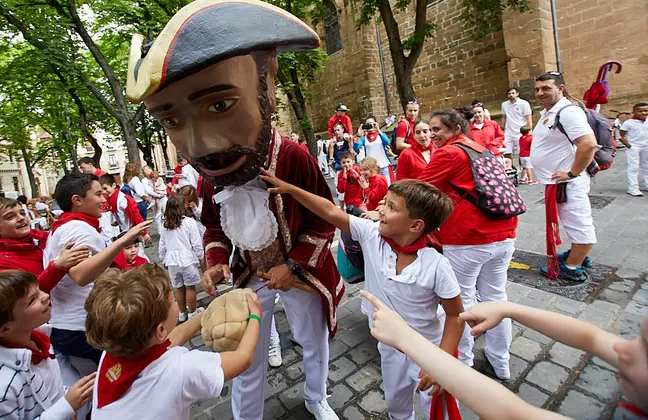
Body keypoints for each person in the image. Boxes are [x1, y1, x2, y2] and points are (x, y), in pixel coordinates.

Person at [129, 0, 344, 419]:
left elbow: (324, 218)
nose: (203, 146)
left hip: (300, 274)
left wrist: (295, 266)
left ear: (267, 81)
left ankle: (317, 399)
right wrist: (213, 261)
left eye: (219, 105)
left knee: (314, 339)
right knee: (245, 355)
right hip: (250, 276)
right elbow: (212, 224)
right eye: (172, 121)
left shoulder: (294, 158)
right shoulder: (211, 178)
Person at [261, 171, 464, 419]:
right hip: (390, 347)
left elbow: (454, 315)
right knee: (396, 403)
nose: (380, 208)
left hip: (428, 350)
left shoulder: (436, 266)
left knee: (436, 407)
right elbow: (332, 212)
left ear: (415, 225)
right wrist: (291, 189)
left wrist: (441, 363)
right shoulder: (372, 235)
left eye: (390, 207)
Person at [363, 289, 648, 420]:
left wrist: (407, 338)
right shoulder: (629, 358)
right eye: (638, 339)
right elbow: (594, 337)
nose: (622, 348)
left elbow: (509, 412)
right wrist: (509, 308)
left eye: (644, 349)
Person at [417, 109, 519, 379]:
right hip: (505, 233)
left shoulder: (449, 153)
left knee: (459, 303)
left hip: (469, 237)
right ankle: (501, 362)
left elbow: (418, 189)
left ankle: (462, 365)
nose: (432, 135)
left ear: (453, 128)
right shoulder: (479, 148)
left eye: (437, 129)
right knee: (496, 298)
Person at [87, 265, 261, 419]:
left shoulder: (114, 350)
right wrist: (255, 316)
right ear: (160, 330)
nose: (177, 301)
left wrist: (208, 313)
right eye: (173, 300)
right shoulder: (180, 369)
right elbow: (243, 358)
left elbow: (168, 341)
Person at [0, 271, 96, 420]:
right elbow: (62, 406)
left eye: (38, 291)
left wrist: (69, 404)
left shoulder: (38, 344)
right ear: (3, 329)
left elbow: (52, 392)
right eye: (32, 300)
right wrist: (66, 406)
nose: (45, 296)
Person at [42, 172, 151, 369]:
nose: (104, 199)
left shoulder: (67, 226)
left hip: (68, 324)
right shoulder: (77, 229)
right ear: (77, 200)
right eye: (98, 194)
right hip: (80, 326)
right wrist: (122, 243)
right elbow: (81, 275)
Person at [530, 72, 599, 282]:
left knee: (579, 223)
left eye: (546, 88)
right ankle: (577, 255)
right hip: (558, 182)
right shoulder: (549, 112)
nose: (540, 93)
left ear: (560, 88)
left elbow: (588, 144)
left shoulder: (568, 112)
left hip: (568, 182)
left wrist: (572, 173)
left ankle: (572, 266)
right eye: (537, 89)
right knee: (571, 222)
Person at [0, 197, 89, 293]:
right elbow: (29, 292)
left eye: (22, 213)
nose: (21, 218)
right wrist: (58, 266)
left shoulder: (42, 237)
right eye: (10, 217)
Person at [159, 195, 205, 322]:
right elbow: (196, 242)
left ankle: (182, 312)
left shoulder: (165, 225)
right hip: (187, 259)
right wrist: (200, 256)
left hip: (172, 261)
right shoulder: (189, 223)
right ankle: (192, 311)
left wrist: (163, 258)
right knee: (190, 287)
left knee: (179, 287)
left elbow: (162, 244)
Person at [618, 101, 648, 196]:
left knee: (646, 165)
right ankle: (633, 187)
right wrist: (629, 145)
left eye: (646, 111)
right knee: (633, 167)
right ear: (634, 112)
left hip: (646, 145)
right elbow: (620, 135)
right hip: (634, 146)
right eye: (640, 111)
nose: (643, 113)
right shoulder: (629, 123)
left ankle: (647, 183)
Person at [354, 116, 394, 184]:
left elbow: (387, 142)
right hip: (372, 167)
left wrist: (378, 130)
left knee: (388, 185)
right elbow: (356, 147)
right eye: (368, 124)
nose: (370, 126)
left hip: (383, 164)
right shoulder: (364, 138)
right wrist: (358, 135)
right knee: (374, 185)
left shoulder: (381, 135)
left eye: (371, 123)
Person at [501, 87, 533, 169]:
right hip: (508, 131)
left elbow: (528, 117)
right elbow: (504, 117)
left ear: (517, 94)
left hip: (520, 132)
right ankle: (510, 168)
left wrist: (530, 130)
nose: (511, 95)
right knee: (506, 151)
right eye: (509, 94)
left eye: (513, 93)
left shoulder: (524, 103)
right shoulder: (504, 104)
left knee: (521, 153)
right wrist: (502, 128)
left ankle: (523, 171)